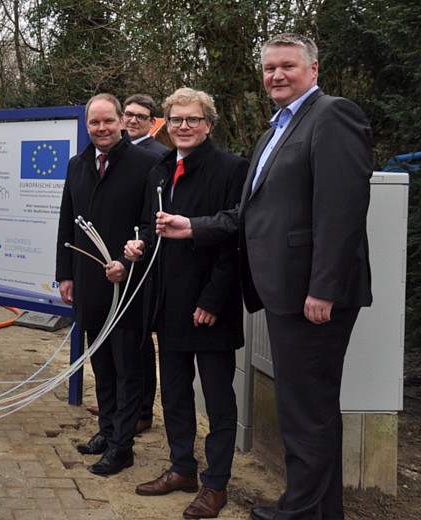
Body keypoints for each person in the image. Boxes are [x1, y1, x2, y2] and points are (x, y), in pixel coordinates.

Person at [156, 33, 373, 520]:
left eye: (288, 66)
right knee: (306, 409)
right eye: (270, 67)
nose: (277, 75)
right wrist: (192, 226)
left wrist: (324, 288)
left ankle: (298, 511)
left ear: (313, 71)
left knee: (307, 412)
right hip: (283, 293)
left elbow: (342, 211)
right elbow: (249, 215)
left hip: (311, 296)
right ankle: (319, 511)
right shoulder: (272, 131)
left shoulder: (332, 115)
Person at [126, 89, 248, 519]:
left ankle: (216, 484)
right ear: (166, 123)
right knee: (174, 394)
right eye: (176, 119)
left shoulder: (232, 169)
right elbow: (147, 222)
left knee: (216, 400)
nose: (183, 126)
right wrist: (137, 244)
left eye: (192, 120)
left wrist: (213, 299)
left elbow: (236, 238)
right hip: (167, 302)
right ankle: (182, 468)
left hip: (211, 306)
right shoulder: (160, 169)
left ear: (208, 124)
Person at [56, 94, 160, 476]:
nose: (101, 129)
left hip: (128, 284)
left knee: (127, 365)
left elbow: (153, 224)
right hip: (89, 283)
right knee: (100, 362)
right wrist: (64, 273)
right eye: (93, 123)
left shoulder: (148, 164)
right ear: (87, 125)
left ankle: (123, 445)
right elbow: (67, 222)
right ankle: (107, 429)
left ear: (122, 122)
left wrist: (134, 255)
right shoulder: (77, 165)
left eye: (107, 121)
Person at [123, 92, 168, 435]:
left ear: (153, 122)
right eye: (129, 113)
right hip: (115, 255)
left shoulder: (160, 157)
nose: (133, 119)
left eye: (141, 115)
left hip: (145, 258)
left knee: (139, 340)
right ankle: (123, 401)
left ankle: (142, 411)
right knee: (119, 337)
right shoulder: (115, 152)